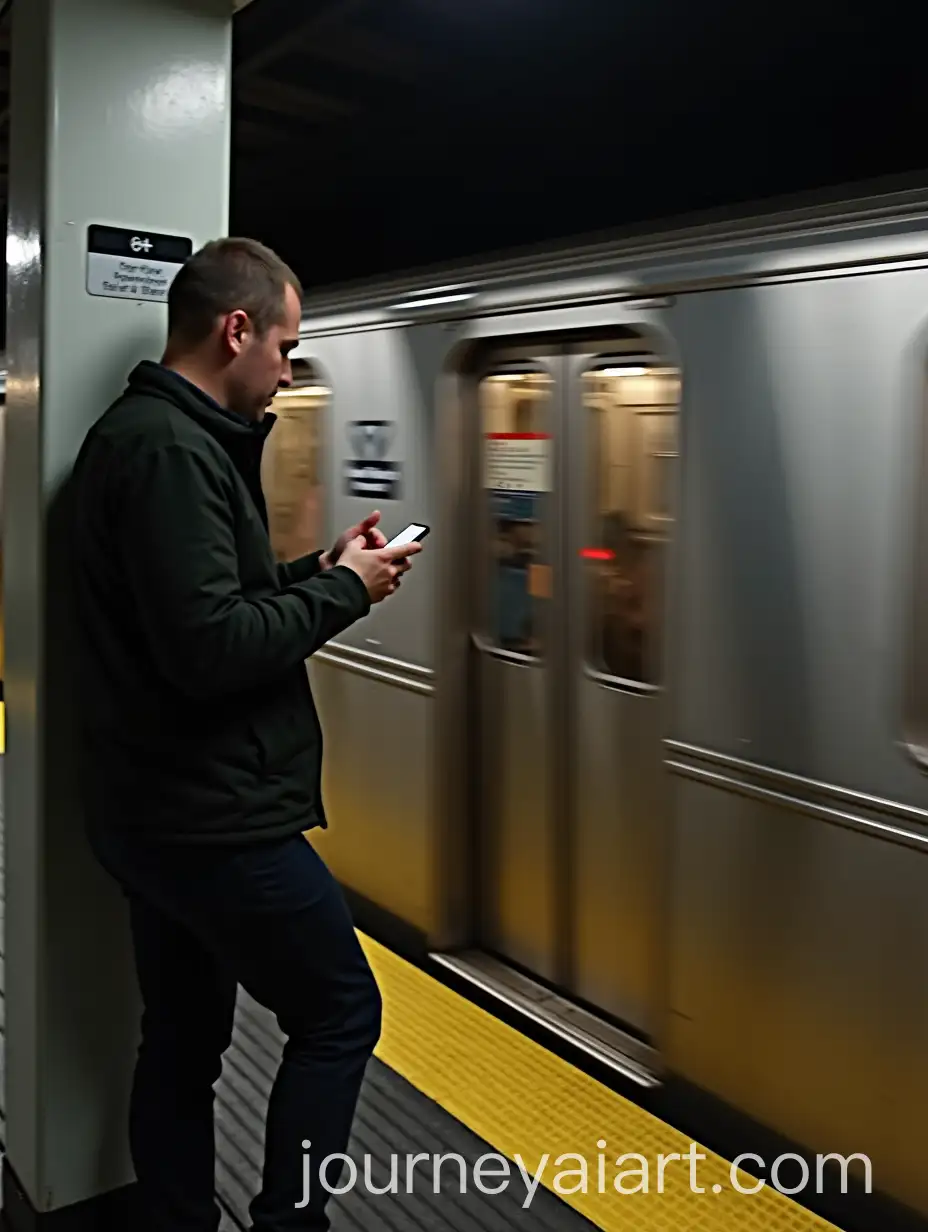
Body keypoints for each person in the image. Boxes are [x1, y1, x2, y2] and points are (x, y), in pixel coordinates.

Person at [69, 237, 422, 1232]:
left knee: (183, 1036)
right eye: (286, 346)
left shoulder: (159, 438)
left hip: (158, 807)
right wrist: (348, 595)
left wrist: (322, 569)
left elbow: (210, 604)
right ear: (237, 330)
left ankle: (177, 1216)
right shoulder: (169, 452)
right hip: (209, 813)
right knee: (340, 1012)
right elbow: (212, 650)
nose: (288, 370)